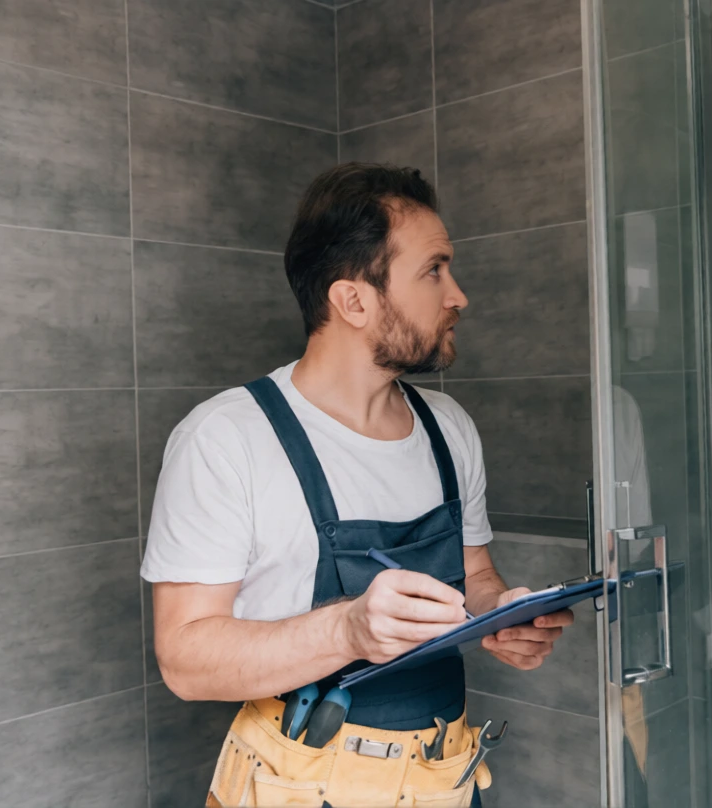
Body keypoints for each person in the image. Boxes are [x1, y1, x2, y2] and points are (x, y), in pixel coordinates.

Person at [140, 163, 574, 808]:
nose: (458, 296)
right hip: (295, 781)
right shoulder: (227, 439)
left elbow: (474, 573)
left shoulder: (447, 426)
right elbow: (184, 659)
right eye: (434, 271)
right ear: (353, 301)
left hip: (441, 777)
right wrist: (348, 631)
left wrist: (501, 613)